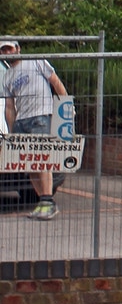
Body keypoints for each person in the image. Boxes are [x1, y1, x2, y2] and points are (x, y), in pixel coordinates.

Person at [0, 40, 68, 219]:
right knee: (30, 164)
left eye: (9, 48)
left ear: (18, 49)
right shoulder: (7, 76)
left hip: (40, 117)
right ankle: (44, 202)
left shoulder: (35, 61)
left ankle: (48, 202)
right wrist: (12, 129)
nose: (7, 53)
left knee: (42, 159)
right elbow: (9, 106)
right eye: (3, 50)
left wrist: (67, 107)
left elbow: (55, 82)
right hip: (22, 121)